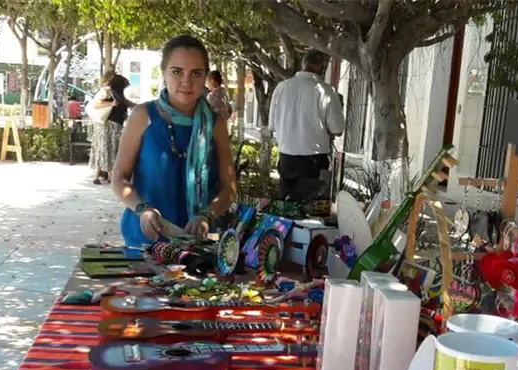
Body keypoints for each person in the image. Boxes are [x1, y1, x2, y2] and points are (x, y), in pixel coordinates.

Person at [111, 35, 237, 244]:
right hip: (145, 240)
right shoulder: (143, 116)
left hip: (198, 244)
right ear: (163, 73)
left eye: (196, 73)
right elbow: (118, 179)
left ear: (205, 76)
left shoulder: (216, 125)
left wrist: (207, 215)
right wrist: (143, 210)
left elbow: (229, 189)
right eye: (177, 71)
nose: (186, 82)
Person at [268, 49, 345, 201]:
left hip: (286, 159)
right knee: (311, 211)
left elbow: (272, 125)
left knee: (287, 208)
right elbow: (337, 129)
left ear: (303, 65)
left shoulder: (281, 88)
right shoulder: (327, 91)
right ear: (322, 69)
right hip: (313, 162)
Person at [90, 72, 134, 185]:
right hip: (107, 125)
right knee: (108, 148)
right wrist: (111, 104)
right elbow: (96, 104)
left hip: (113, 125)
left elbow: (129, 104)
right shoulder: (107, 91)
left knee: (106, 148)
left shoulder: (118, 94)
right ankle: (104, 176)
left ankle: (103, 176)